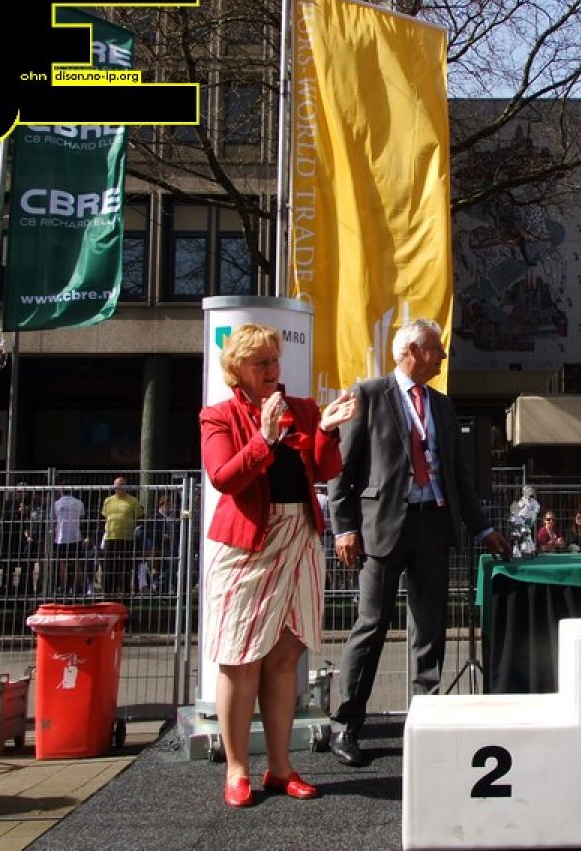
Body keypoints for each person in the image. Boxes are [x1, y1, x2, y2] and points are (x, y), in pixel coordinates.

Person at [328, 318, 510, 767]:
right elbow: (340, 468)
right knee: (371, 625)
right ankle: (346, 725)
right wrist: (344, 527)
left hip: (434, 524)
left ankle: (424, 722)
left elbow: (460, 478)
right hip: (381, 529)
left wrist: (482, 528)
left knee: (429, 628)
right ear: (411, 350)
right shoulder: (369, 395)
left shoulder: (442, 406)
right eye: (435, 349)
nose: (442, 356)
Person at [200, 322, 357, 807]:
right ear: (238, 368)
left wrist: (327, 431)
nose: (272, 369)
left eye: (274, 359)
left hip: (299, 539)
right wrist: (264, 439)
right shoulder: (219, 416)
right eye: (261, 362)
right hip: (248, 544)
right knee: (240, 658)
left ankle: (280, 767)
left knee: (285, 658)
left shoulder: (303, 408)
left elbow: (326, 469)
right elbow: (224, 478)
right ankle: (237, 769)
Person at [101, 477, 142, 596]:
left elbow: (140, 515)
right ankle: (108, 594)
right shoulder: (108, 501)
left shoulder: (133, 501)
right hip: (110, 536)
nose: (120, 487)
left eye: (122, 485)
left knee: (125, 567)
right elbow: (104, 516)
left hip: (126, 537)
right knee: (108, 566)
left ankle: (125, 594)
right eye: (117, 485)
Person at [52, 481, 85, 596]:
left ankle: (64, 588)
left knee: (63, 563)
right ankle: (77, 588)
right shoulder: (79, 503)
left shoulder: (56, 504)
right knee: (77, 562)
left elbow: (54, 519)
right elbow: (81, 519)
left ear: (61, 490)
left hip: (61, 537)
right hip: (75, 536)